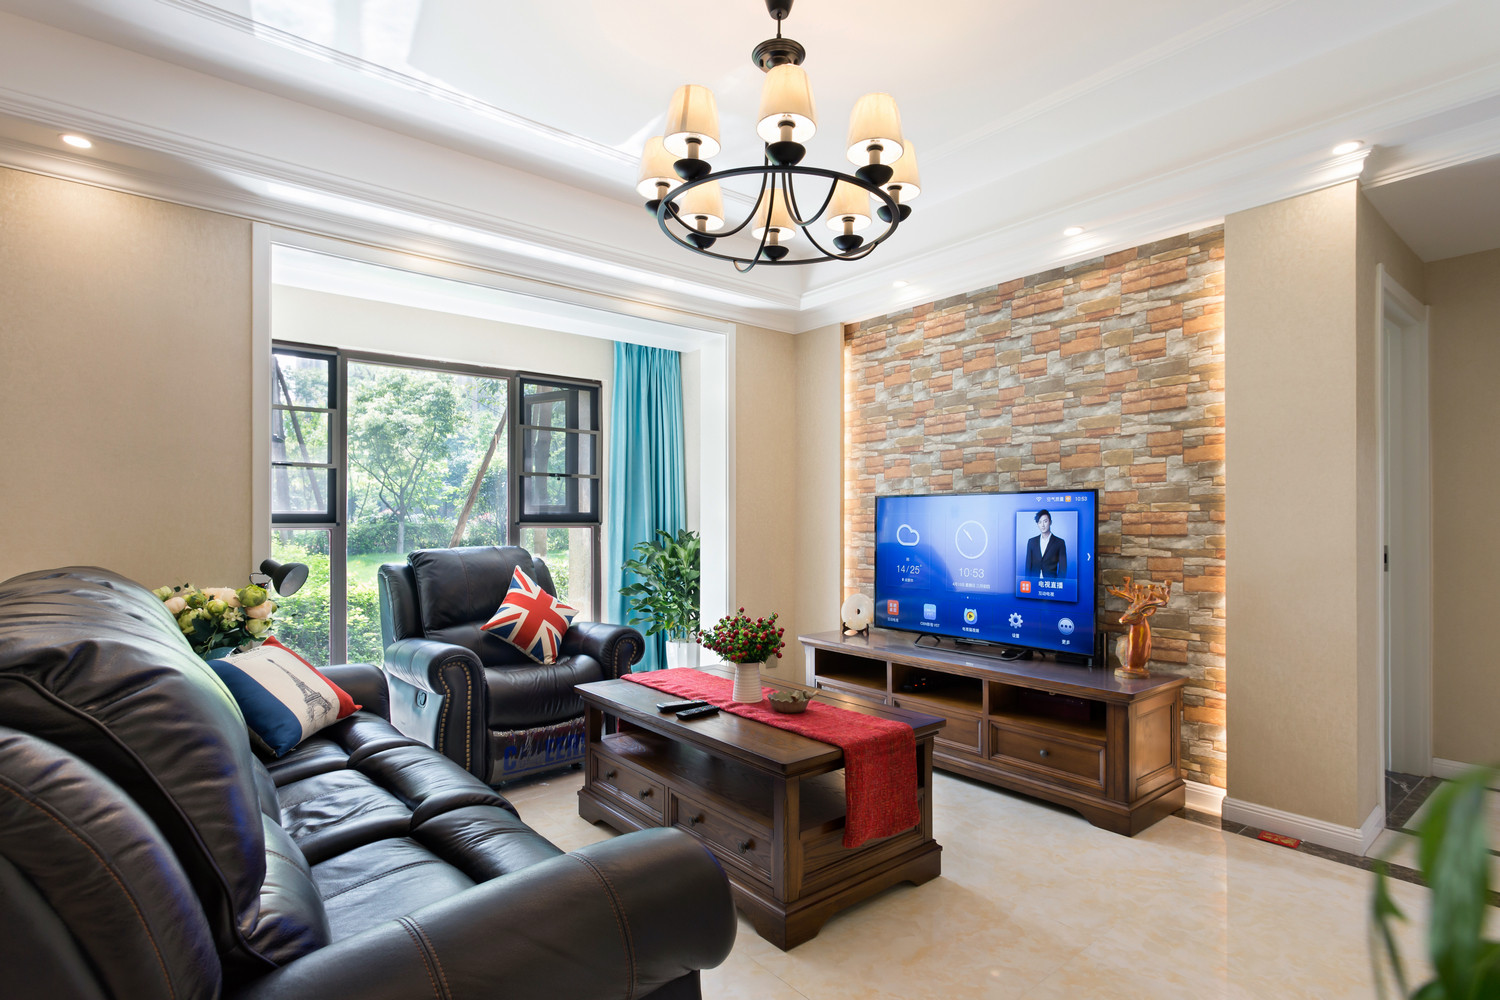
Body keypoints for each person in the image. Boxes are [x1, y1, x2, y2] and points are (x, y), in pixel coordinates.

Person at [1024, 509, 1067, 578]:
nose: (1043, 525)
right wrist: (1027, 581)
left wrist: (1059, 583)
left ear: (1050, 522)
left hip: (1051, 582)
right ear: (1037, 524)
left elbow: (1063, 568)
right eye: (1040, 522)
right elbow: (1028, 566)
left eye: (1045, 521)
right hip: (1034, 581)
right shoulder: (1031, 541)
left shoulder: (1059, 542)